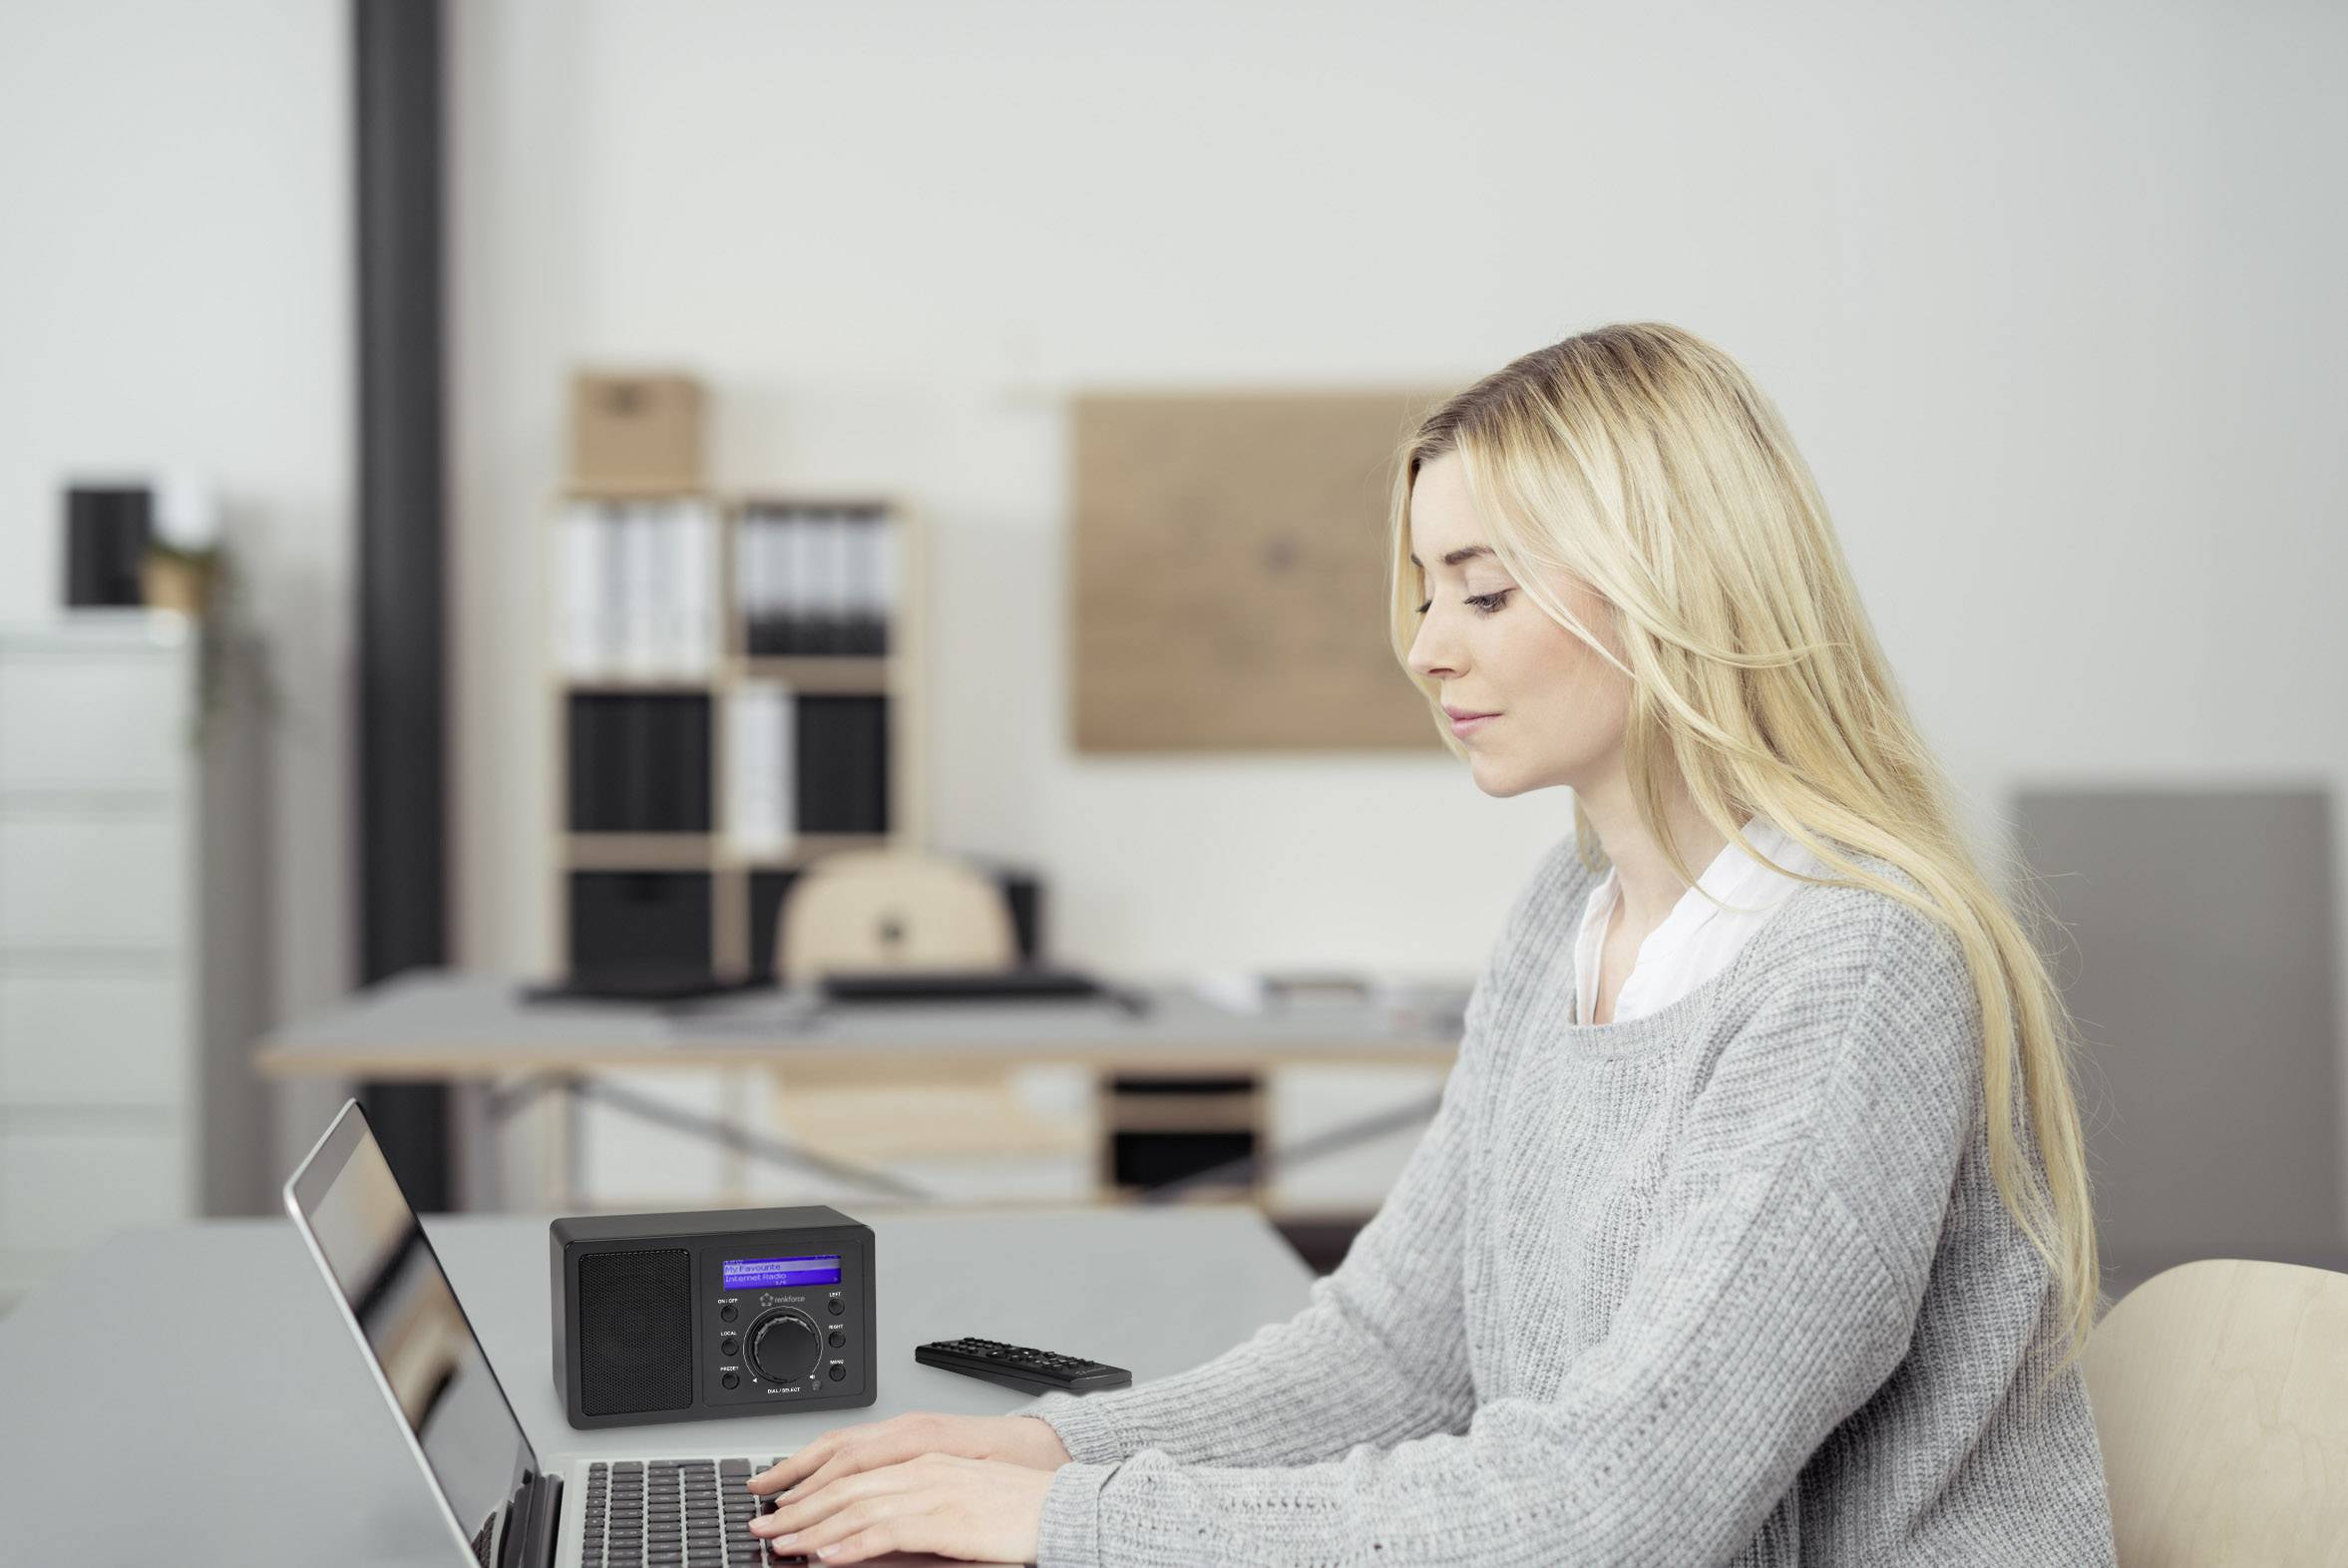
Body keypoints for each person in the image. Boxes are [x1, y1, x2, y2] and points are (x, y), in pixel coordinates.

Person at [743, 322, 2119, 1566]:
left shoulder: (1849, 967)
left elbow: (1615, 1507)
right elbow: (1400, 1350)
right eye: (1422, 589)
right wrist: (1054, 1451)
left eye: (1482, 591)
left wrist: (1071, 1525)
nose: (1423, 648)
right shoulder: (1563, 914)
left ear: (1673, 588)